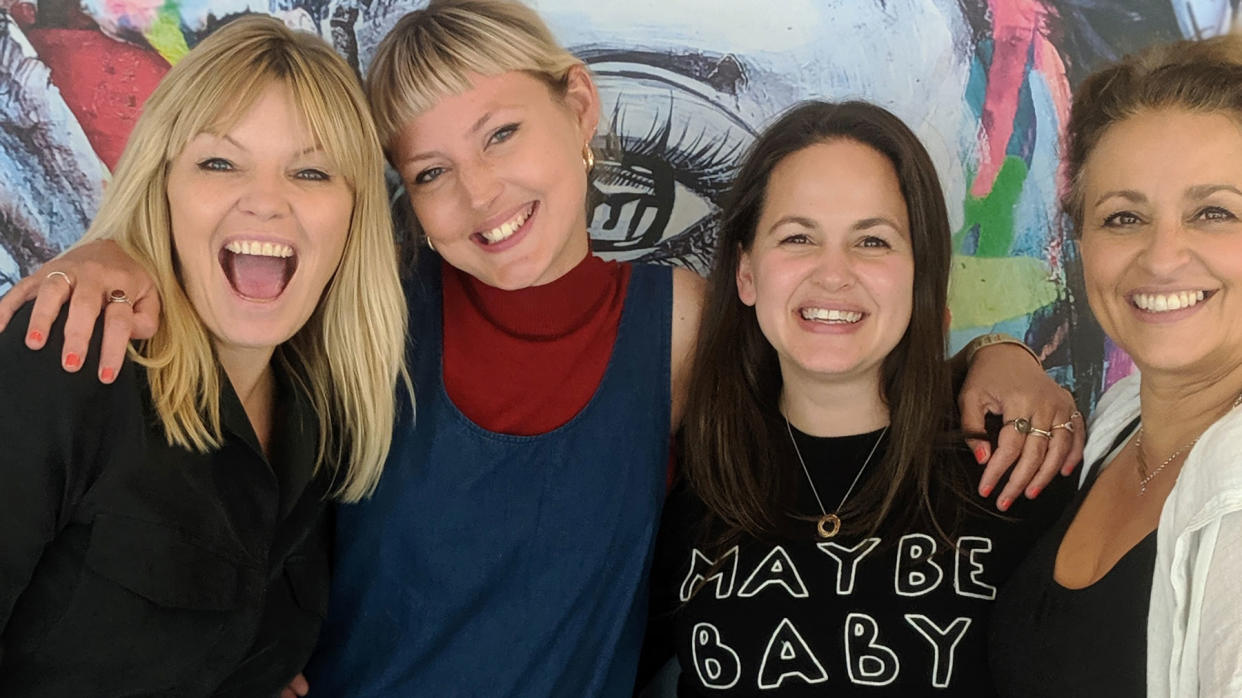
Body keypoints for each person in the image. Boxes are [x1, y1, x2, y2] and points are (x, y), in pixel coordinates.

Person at [0, 2, 1082, 695]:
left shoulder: (682, 320)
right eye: (427, 173)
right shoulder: (367, 309)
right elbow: (232, 309)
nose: (478, 194)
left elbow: (831, 386)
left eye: (503, 133)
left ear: (578, 106)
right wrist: (117, 256)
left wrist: (987, 363)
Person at [0, 15, 409, 696]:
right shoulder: (70, 357)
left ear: (353, 216)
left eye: (310, 171)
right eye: (220, 162)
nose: (266, 202)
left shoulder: (325, 422)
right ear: (162, 187)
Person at [638, 100, 1074, 697]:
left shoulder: (1014, 459)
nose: (833, 274)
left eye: (872, 241)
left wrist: (1000, 351)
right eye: (797, 237)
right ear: (745, 273)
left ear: (921, 273)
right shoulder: (682, 477)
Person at [989, 33, 1242, 698]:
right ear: (1081, 245)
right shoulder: (1121, 423)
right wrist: (994, 353)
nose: (1161, 258)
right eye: (1124, 217)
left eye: (1214, 212)